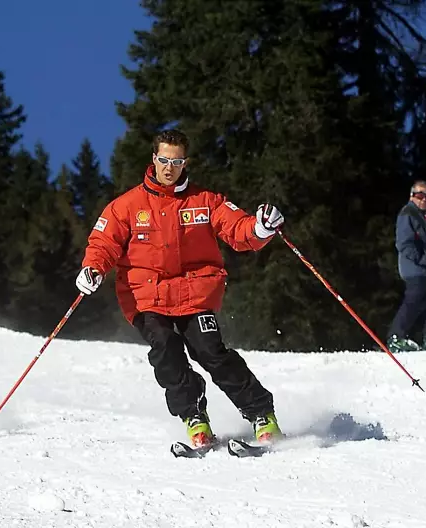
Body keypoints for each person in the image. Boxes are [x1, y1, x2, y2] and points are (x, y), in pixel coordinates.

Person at [74, 129, 285, 448]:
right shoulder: (127, 206)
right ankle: (194, 416)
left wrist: (260, 227)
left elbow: (239, 230)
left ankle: (261, 414)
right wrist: (92, 269)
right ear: (153, 159)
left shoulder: (206, 201)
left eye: (176, 161)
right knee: (166, 350)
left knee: (210, 351)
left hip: (196, 294)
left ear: (185, 162)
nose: (169, 167)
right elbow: (103, 243)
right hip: (147, 295)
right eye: (163, 160)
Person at [387, 180, 426, 352]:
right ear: (411, 196)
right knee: (415, 299)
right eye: (419, 195)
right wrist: (422, 259)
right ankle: (396, 336)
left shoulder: (423, 218)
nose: (424, 199)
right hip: (414, 268)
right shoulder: (408, 214)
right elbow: (404, 244)